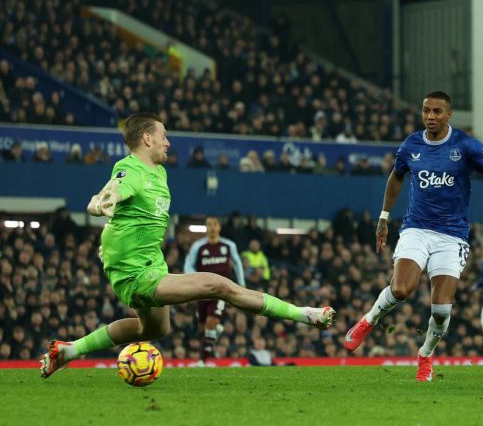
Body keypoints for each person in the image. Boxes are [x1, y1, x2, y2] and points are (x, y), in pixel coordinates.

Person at [39, 112, 335, 378]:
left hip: (149, 263)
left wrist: (110, 239)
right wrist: (102, 202)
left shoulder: (159, 172)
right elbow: (114, 190)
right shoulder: (130, 170)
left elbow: (129, 218)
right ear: (146, 138)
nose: (168, 142)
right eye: (163, 136)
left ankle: (69, 350)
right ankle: (305, 314)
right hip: (136, 274)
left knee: (154, 329)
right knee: (221, 285)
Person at [343, 91, 483, 381]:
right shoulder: (411, 145)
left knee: (440, 310)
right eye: (426, 111)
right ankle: (369, 320)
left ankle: (425, 355)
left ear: (448, 114)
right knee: (402, 289)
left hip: (452, 236)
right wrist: (383, 217)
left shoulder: (465, 145)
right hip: (416, 227)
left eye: (437, 112)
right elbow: (396, 176)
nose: (430, 117)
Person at [184, 217, 246, 364]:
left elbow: (237, 264)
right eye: (209, 225)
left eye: (215, 224)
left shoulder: (228, 245)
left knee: (211, 323)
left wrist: (242, 284)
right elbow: (188, 265)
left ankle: (202, 360)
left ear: (219, 227)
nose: (212, 227)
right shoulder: (198, 246)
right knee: (202, 328)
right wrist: (194, 280)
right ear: (206, 228)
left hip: (220, 290)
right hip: (202, 290)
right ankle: (216, 331)